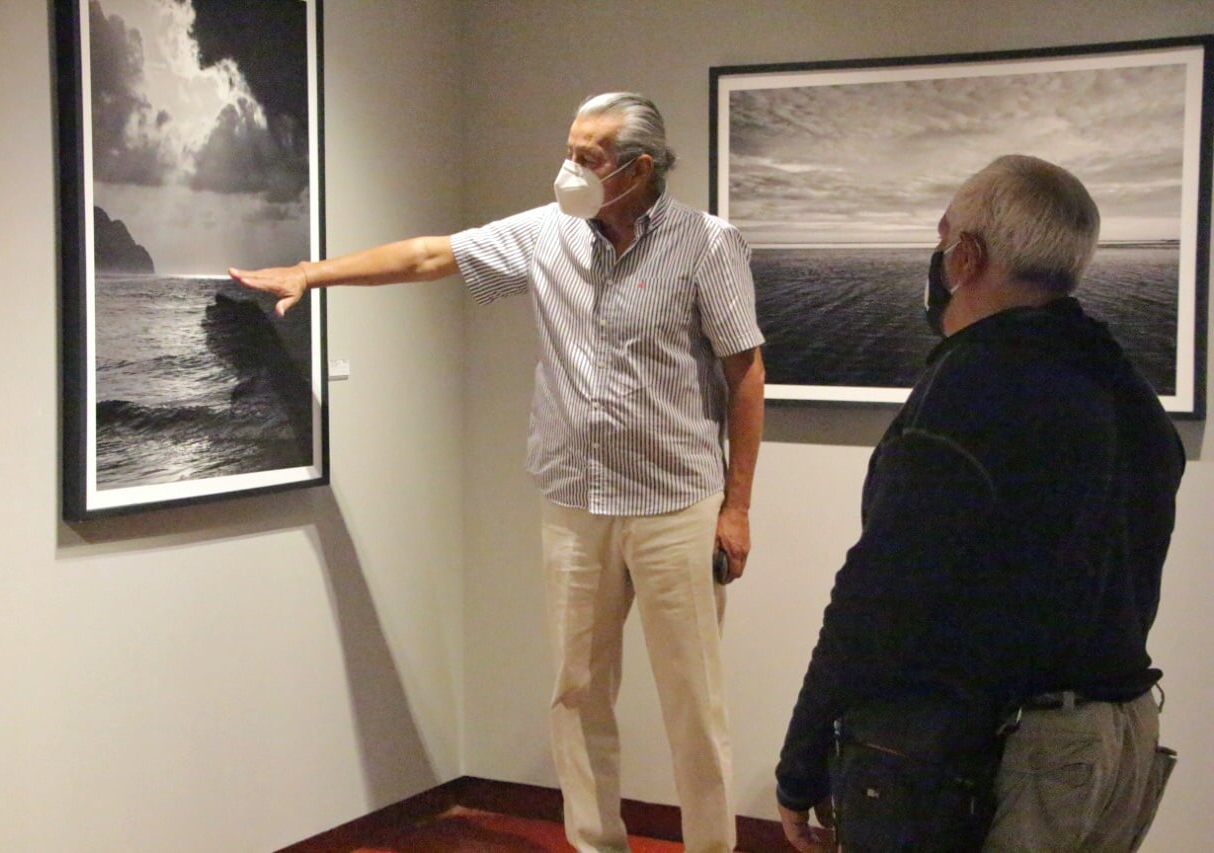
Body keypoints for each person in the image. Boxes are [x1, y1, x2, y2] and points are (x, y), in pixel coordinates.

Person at [231, 92, 765, 853]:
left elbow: (745, 373)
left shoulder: (707, 244)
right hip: (575, 501)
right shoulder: (545, 233)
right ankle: (596, 843)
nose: (569, 168)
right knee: (576, 693)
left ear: (639, 168)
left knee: (693, 703)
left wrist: (736, 508)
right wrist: (310, 274)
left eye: (588, 157)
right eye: (569, 150)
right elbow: (428, 256)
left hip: (675, 503)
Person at [774, 155, 1185, 852]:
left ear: (965, 256)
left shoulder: (975, 385)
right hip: (1123, 735)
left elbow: (879, 596)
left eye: (942, 237)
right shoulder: (1125, 387)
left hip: (1019, 750)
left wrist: (802, 760)